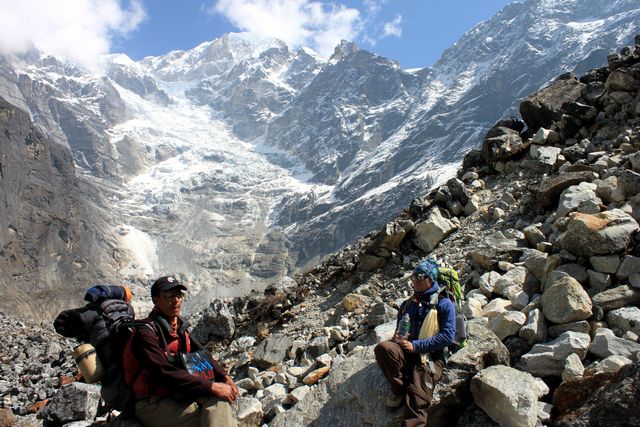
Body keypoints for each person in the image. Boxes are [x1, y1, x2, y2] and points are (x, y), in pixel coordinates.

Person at [123, 276, 239, 427]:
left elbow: (202, 355)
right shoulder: (146, 333)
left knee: (219, 403)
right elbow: (164, 371)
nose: (176, 300)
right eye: (169, 296)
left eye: (179, 295)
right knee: (205, 419)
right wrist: (212, 386)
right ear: (156, 301)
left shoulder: (179, 328)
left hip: (178, 392)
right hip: (152, 401)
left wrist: (224, 376)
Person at [374, 260, 456, 427]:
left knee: (418, 395)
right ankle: (400, 388)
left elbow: (447, 336)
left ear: (431, 279)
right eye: (413, 276)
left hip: (430, 355)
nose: (415, 280)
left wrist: (416, 346)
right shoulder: (408, 303)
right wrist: (397, 338)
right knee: (384, 349)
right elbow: (399, 329)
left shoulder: (444, 303)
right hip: (407, 348)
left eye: (420, 276)